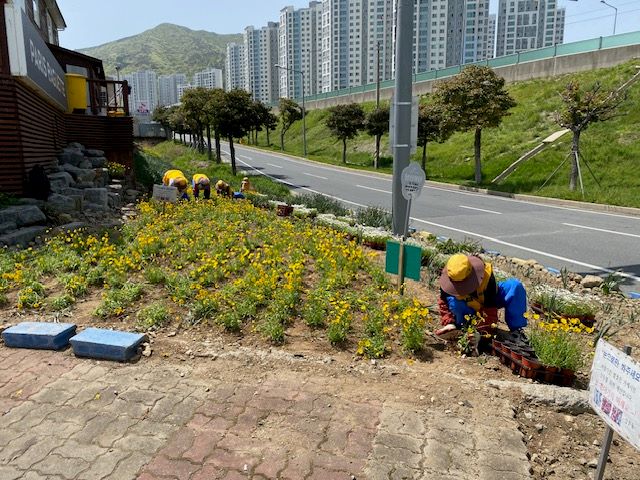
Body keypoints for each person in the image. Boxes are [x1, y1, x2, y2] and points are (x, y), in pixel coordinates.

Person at [436, 253, 528, 342]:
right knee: (454, 302)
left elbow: (490, 308)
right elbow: (443, 301)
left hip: (484, 304)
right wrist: (449, 323)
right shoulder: (448, 281)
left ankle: (517, 330)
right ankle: (461, 325)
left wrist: (482, 331)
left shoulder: (485, 276)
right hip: (466, 309)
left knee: (514, 286)